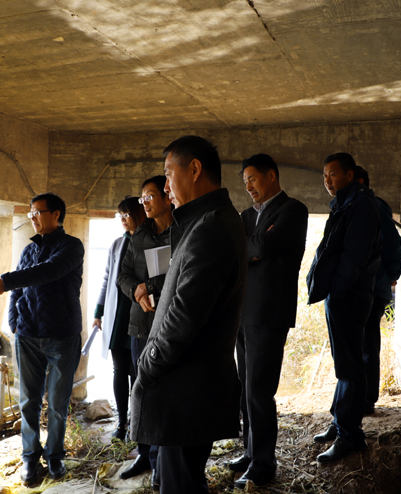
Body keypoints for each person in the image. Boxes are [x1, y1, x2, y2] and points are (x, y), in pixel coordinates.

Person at [130, 135, 247, 494]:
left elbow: (184, 317)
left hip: (185, 392)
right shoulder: (207, 221)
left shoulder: (210, 227)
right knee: (181, 479)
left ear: (194, 169)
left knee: (180, 484)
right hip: (189, 390)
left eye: (168, 174)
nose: (165, 188)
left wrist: (148, 364)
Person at [0, 192, 84, 485]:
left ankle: (55, 456)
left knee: (58, 403)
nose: (33, 217)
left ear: (56, 214)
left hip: (62, 336)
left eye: (38, 212)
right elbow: (18, 290)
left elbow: (47, 272)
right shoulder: (28, 250)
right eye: (31, 213)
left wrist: (5, 280)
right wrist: (15, 322)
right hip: (27, 336)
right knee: (28, 402)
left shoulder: (71, 246)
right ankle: (29, 457)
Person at [228, 154, 308, 489]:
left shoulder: (293, 210)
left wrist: (252, 246)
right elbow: (239, 251)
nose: (248, 186)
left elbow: (264, 245)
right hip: (243, 311)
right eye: (245, 181)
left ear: (271, 175)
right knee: (246, 388)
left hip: (269, 312)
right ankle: (250, 452)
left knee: (260, 391)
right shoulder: (246, 216)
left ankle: (264, 462)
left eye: (253, 178)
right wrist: (252, 249)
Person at [306, 153, 381, 463]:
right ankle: (340, 423)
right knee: (344, 364)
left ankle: (351, 436)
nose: (327, 180)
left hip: (349, 295)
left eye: (333, 174)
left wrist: (336, 289)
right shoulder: (344, 203)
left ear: (350, 175)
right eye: (324, 175)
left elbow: (354, 255)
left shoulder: (362, 204)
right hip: (340, 295)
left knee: (350, 366)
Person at [117, 176, 178, 489]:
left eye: (151, 196)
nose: (145, 203)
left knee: (163, 394)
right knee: (140, 392)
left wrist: (149, 286)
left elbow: (183, 273)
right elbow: (123, 275)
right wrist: (136, 291)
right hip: (139, 325)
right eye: (142, 198)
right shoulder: (139, 234)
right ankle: (144, 455)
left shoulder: (182, 231)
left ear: (167, 197)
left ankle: (160, 463)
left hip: (169, 325)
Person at [93, 196, 146, 441]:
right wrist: (98, 312)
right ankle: (122, 421)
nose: (123, 219)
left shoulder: (147, 240)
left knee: (137, 370)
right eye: (120, 215)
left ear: (138, 214)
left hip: (138, 312)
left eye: (127, 214)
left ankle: (136, 421)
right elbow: (107, 279)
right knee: (119, 369)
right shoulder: (117, 244)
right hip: (117, 313)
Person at [353, 166, 401, 415]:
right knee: (358, 345)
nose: (329, 181)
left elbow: (393, 244)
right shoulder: (350, 206)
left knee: (367, 345)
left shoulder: (373, 206)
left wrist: (391, 275)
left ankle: (365, 401)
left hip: (372, 288)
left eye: (335, 175)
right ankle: (357, 398)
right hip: (360, 288)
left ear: (358, 180)